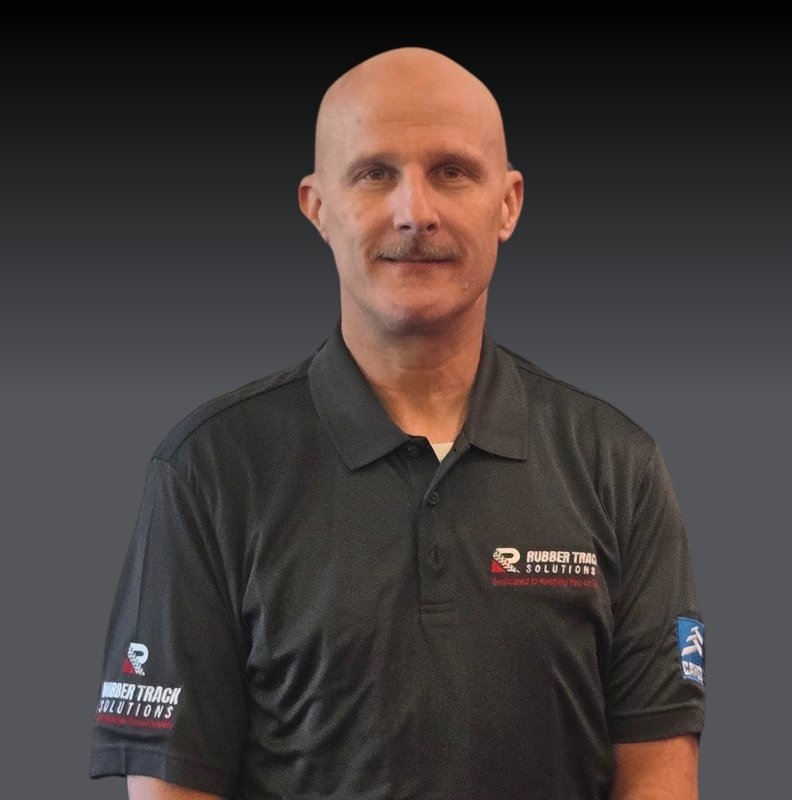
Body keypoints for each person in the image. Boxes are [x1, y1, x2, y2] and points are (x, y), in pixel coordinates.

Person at [90, 48, 705, 799]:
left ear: (508, 203)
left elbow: (658, 778)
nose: (415, 211)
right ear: (318, 207)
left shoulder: (617, 464)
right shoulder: (209, 470)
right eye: (375, 173)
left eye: (452, 171)